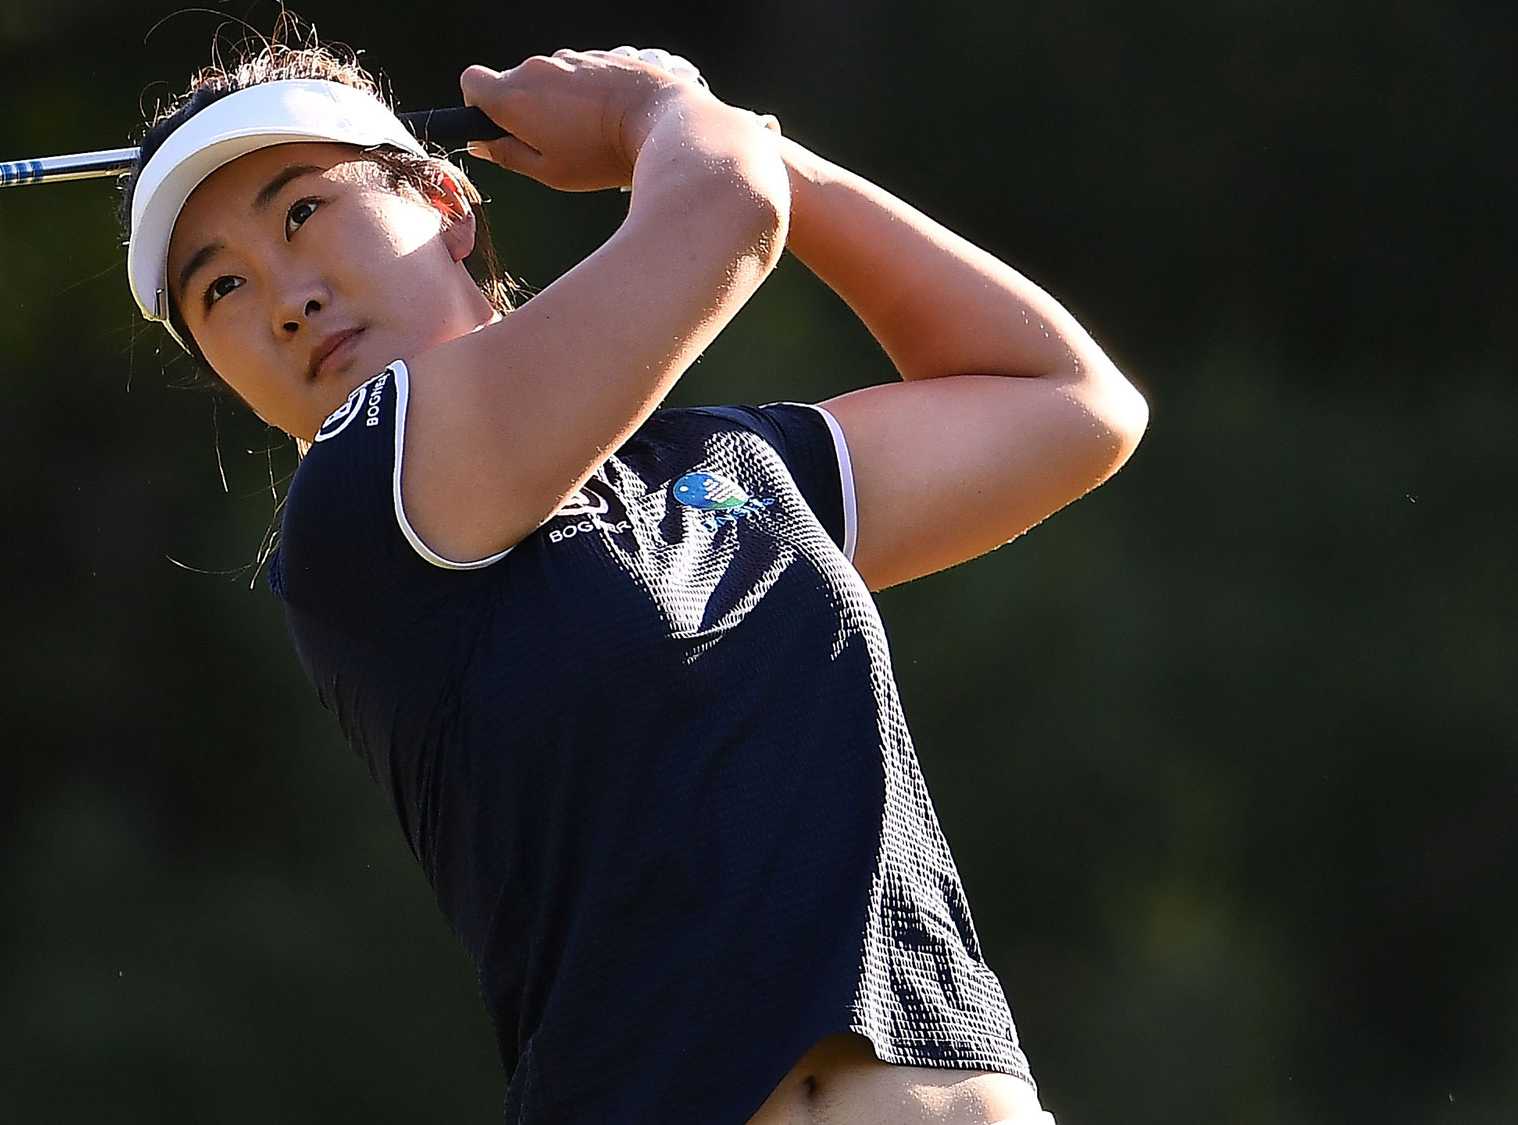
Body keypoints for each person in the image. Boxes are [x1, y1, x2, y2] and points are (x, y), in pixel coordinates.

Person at [121, 32, 1146, 1125]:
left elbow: (1068, 402)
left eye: (299, 212)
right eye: (219, 287)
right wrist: (659, 113)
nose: (282, 297)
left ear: (445, 199)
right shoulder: (358, 510)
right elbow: (722, 215)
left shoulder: (729, 472)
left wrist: (760, 151)